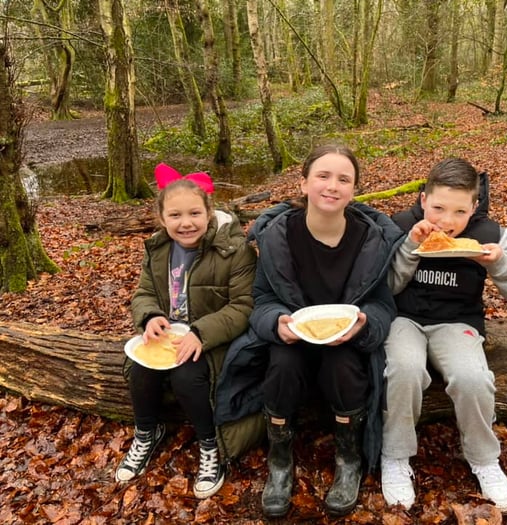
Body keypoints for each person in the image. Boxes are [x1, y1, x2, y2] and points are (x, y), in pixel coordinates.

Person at [214, 144, 405, 518]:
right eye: (323, 176)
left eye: (343, 179)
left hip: (343, 340)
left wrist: (366, 323)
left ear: (353, 190)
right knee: (282, 363)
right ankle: (280, 460)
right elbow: (262, 299)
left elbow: (383, 304)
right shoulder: (277, 236)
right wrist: (275, 323)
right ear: (303, 184)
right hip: (295, 339)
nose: (332, 186)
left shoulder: (371, 239)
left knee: (343, 363)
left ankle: (348, 458)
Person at [381, 157, 507, 512]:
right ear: (423, 200)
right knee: (403, 369)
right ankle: (395, 455)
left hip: (457, 322)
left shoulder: (489, 234)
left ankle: (484, 459)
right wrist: (409, 248)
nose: (446, 222)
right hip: (405, 319)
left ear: (474, 206)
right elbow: (386, 287)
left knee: (472, 378)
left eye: (458, 212)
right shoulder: (400, 225)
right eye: (437, 209)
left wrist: (498, 261)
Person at [115, 163, 257, 500]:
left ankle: (210, 446)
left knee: (186, 376)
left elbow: (244, 306)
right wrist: (149, 317)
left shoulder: (233, 250)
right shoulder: (158, 249)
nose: (186, 223)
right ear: (162, 218)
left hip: (217, 337)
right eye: (175, 215)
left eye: (195, 213)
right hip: (170, 334)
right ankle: (147, 431)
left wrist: (201, 332)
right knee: (139, 369)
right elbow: (144, 293)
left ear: (209, 212)